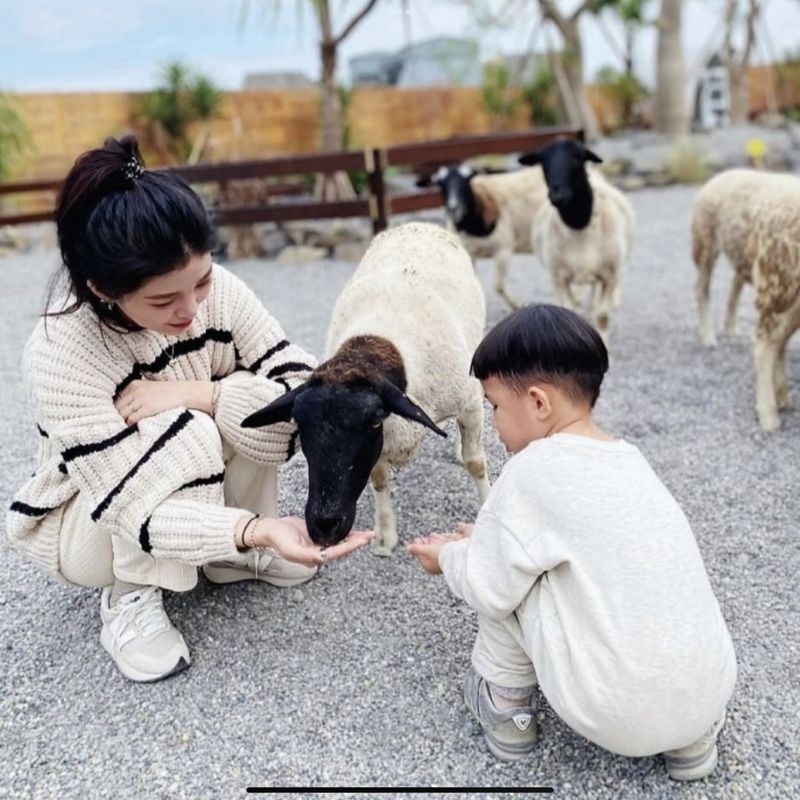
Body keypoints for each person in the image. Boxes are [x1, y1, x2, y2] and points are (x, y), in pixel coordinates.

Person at [7, 136, 372, 683]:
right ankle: (130, 595)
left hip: (181, 487)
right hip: (93, 521)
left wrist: (207, 394)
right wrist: (256, 529)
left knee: (224, 403)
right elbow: (131, 508)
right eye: (162, 300)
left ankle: (220, 556)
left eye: (200, 280)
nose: (189, 310)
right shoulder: (62, 351)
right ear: (103, 289)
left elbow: (301, 394)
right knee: (183, 430)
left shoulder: (216, 291)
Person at [407, 304, 737, 782]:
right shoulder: (631, 463)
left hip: (613, 714)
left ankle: (507, 710)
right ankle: (690, 742)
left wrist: (449, 557)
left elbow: (488, 584)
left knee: (501, 576)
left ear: (539, 404)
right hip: (708, 695)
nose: (494, 423)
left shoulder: (530, 471)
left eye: (495, 406)